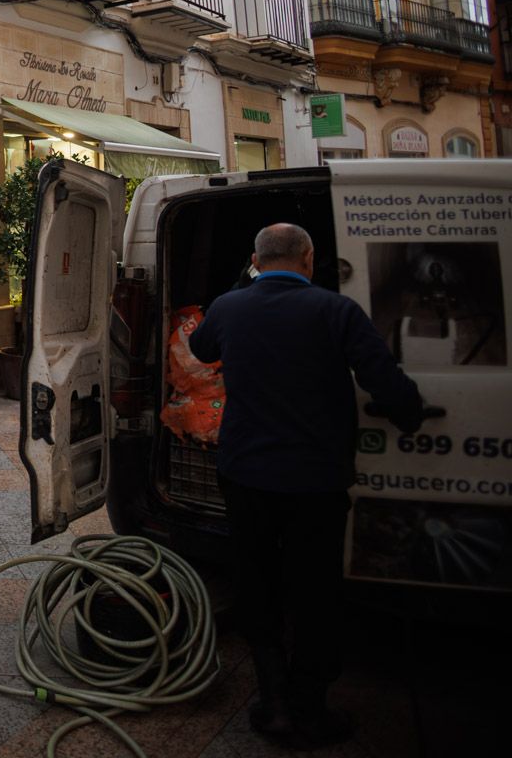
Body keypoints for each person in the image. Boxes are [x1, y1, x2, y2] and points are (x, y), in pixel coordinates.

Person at [189, 223, 428, 749]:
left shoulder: (230, 307)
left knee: (257, 583)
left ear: (255, 259)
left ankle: (272, 701)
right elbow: (386, 383)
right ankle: (308, 705)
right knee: (316, 590)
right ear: (309, 259)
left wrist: (239, 288)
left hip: (246, 475)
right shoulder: (335, 311)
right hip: (315, 482)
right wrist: (411, 416)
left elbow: (202, 349)